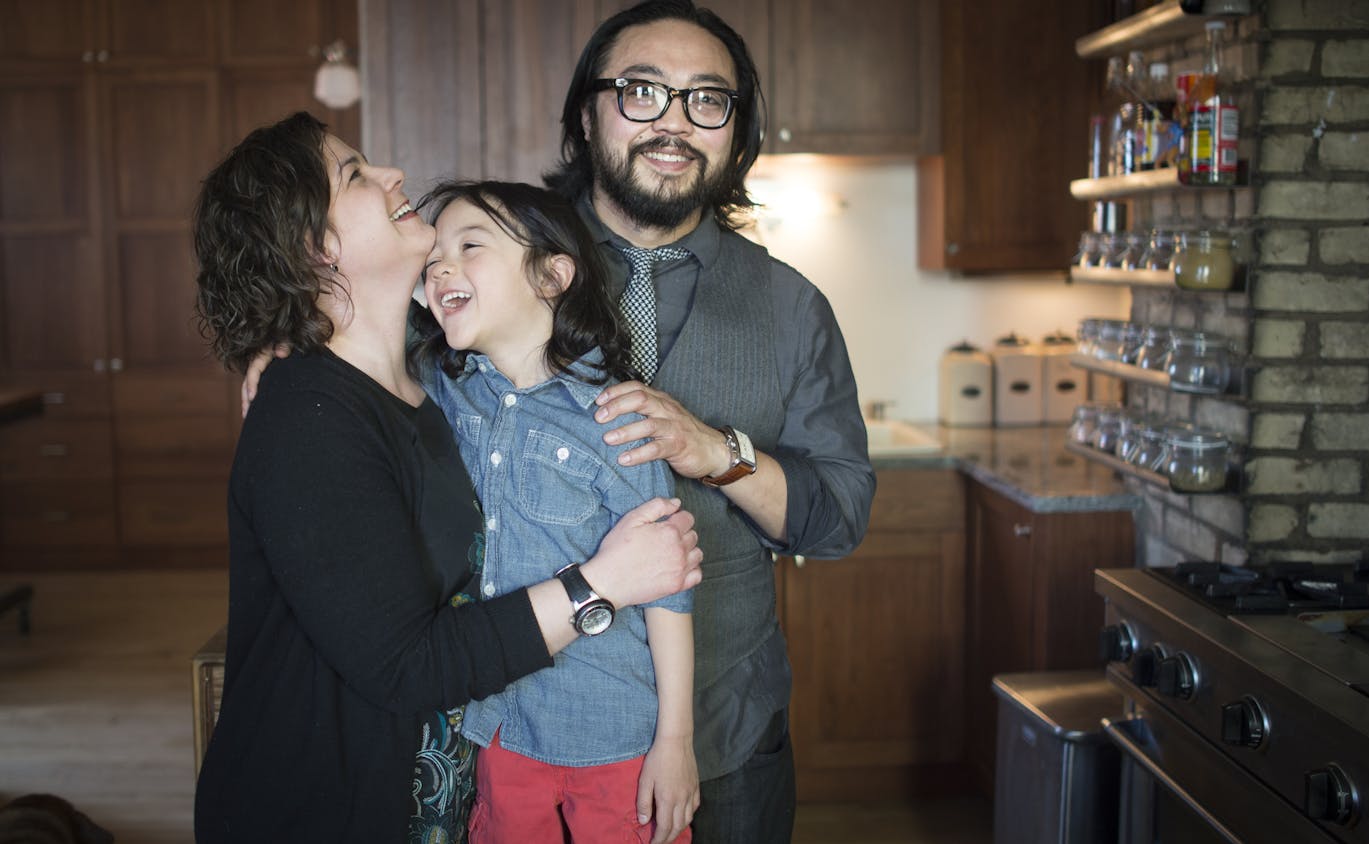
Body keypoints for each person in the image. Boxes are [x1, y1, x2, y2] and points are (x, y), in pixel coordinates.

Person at [192, 112, 701, 843]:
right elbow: (406, 664)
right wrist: (601, 583)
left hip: (447, 793)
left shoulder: (441, 388)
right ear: (314, 245)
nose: (393, 175)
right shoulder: (307, 417)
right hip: (317, 808)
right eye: (356, 174)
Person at [545, 2, 876, 841]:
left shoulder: (792, 306)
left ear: (737, 129)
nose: (675, 124)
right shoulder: (499, 262)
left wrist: (716, 452)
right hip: (542, 736)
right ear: (588, 114)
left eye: (707, 100)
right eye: (642, 92)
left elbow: (837, 519)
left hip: (729, 736)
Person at [409, 180, 697, 843]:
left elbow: (669, 595)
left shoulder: (617, 417)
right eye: (432, 259)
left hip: (613, 732)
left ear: (551, 275)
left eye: (469, 245)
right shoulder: (447, 394)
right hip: (501, 727)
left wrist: (675, 741)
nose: (439, 266)